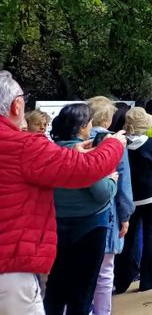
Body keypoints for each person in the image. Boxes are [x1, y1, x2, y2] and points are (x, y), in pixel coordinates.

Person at [0, 72, 126, 315]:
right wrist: (113, 144)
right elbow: (87, 172)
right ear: (17, 105)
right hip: (11, 269)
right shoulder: (24, 146)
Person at [45, 103, 120, 315]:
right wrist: (112, 180)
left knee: (56, 286)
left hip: (56, 225)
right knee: (82, 290)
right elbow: (102, 192)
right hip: (89, 227)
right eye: (88, 122)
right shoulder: (84, 156)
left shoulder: (50, 152)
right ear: (81, 127)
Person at [87, 97, 135, 315]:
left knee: (80, 269)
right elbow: (123, 183)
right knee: (105, 271)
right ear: (107, 118)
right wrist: (126, 215)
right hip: (107, 212)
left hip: (77, 215)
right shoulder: (114, 142)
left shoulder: (75, 139)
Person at [113, 107, 152, 294]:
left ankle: (122, 279)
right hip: (151, 195)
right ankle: (148, 278)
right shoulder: (149, 144)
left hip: (130, 197)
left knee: (128, 236)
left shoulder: (120, 145)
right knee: (149, 235)